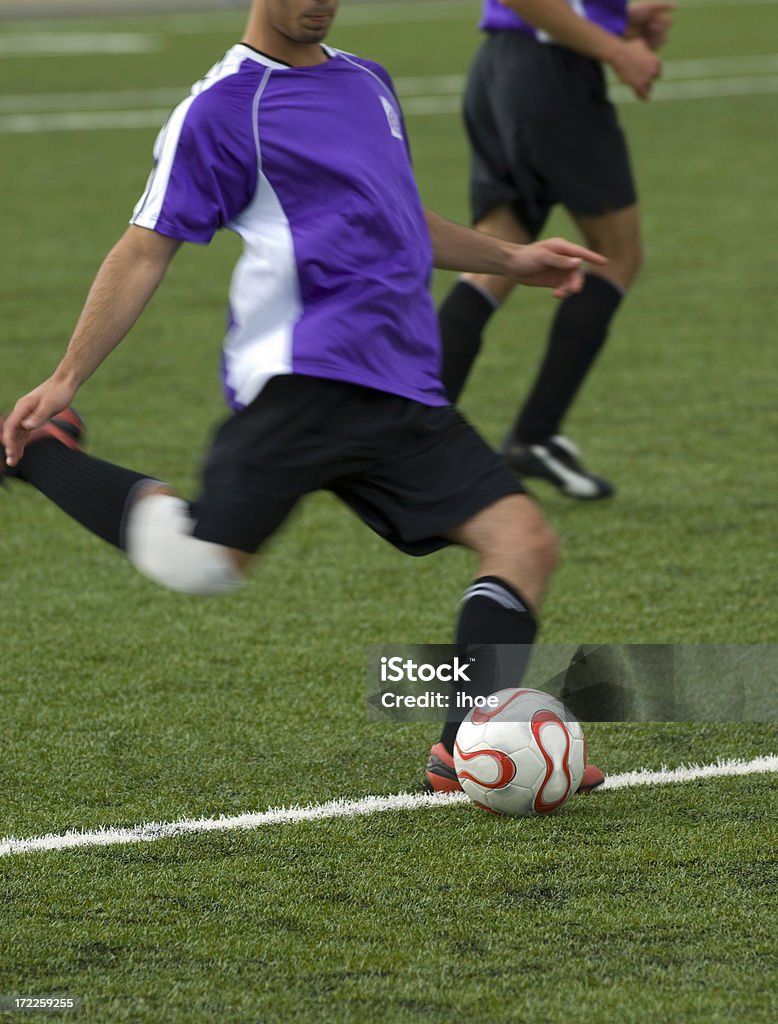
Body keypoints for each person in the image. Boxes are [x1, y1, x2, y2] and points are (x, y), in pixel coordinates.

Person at [1, 0, 606, 793]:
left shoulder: (367, 83)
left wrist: (511, 257)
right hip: (305, 380)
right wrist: (66, 377)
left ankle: (463, 746)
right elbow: (146, 247)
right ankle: (41, 456)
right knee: (202, 564)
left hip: (400, 386)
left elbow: (398, 217)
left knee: (525, 543)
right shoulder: (222, 107)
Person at [439, 0, 674, 499]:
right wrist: (617, 48)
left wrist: (617, 17)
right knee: (617, 254)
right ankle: (534, 434)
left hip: (499, 68)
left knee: (494, 259)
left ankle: (410, 434)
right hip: (550, 72)